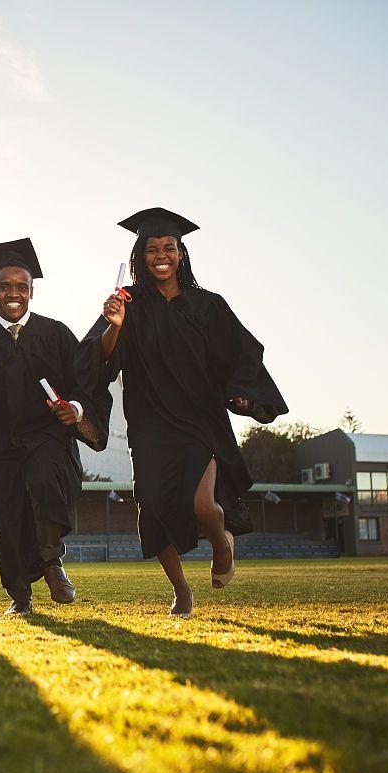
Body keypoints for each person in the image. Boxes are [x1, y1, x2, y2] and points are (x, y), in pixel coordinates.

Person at [81, 207, 287, 617]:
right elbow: (96, 360)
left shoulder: (207, 305)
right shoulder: (127, 303)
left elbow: (241, 353)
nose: (162, 254)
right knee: (155, 508)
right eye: (152, 247)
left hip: (199, 419)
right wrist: (115, 325)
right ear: (140, 255)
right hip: (149, 423)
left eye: (169, 247)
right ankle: (182, 592)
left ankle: (221, 544)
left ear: (181, 253)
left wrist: (242, 395)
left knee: (204, 506)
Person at [0, 238, 106, 615]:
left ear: (32, 291)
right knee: (9, 516)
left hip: (46, 438)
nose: (13, 294)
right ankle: (19, 596)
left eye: (21, 287)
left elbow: (84, 382)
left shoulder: (56, 334)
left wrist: (76, 409)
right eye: (5, 287)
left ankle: (51, 563)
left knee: (45, 478)